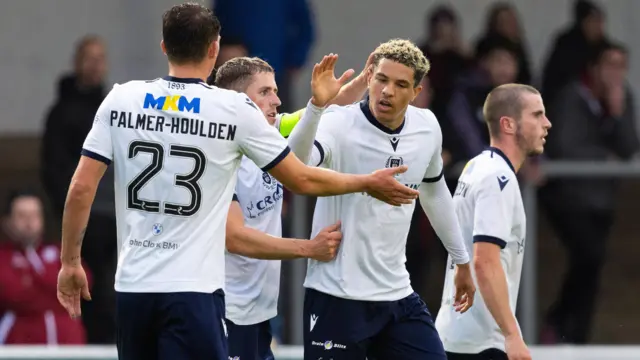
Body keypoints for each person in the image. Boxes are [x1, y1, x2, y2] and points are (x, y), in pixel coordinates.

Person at [55, 4, 418, 360]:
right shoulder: (232, 110)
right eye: (267, 92)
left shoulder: (121, 98)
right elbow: (301, 178)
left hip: (134, 287)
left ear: (164, 46)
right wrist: (366, 183)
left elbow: (81, 189)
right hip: (195, 291)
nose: (274, 101)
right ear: (214, 49)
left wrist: (70, 262)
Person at [299, 39, 475, 360]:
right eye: (381, 79)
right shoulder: (339, 123)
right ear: (369, 78)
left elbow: (434, 193)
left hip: (396, 293)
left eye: (400, 84)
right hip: (337, 294)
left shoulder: (427, 127)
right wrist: (315, 108)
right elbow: (295, 167)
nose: (387, 91)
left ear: (416, 92)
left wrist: (461, 259)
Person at [213, 53, 370, 360]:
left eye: (274, 90)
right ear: (237, 103)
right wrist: (308, 248)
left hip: (258, 311)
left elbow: (325, 112)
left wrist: (367, 79)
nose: (277, 100)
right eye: (264, 92)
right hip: (226, 310)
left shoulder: (271, 133)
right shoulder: (220, 156)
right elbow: (235, 237)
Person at [435, 84, 552, 360]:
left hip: (460, 335)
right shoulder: (497, 178)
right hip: (480, 343)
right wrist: (512, 335)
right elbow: (485, 261)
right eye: (537, 115)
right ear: (508, 124)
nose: (547, 123)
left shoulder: (477, 165)